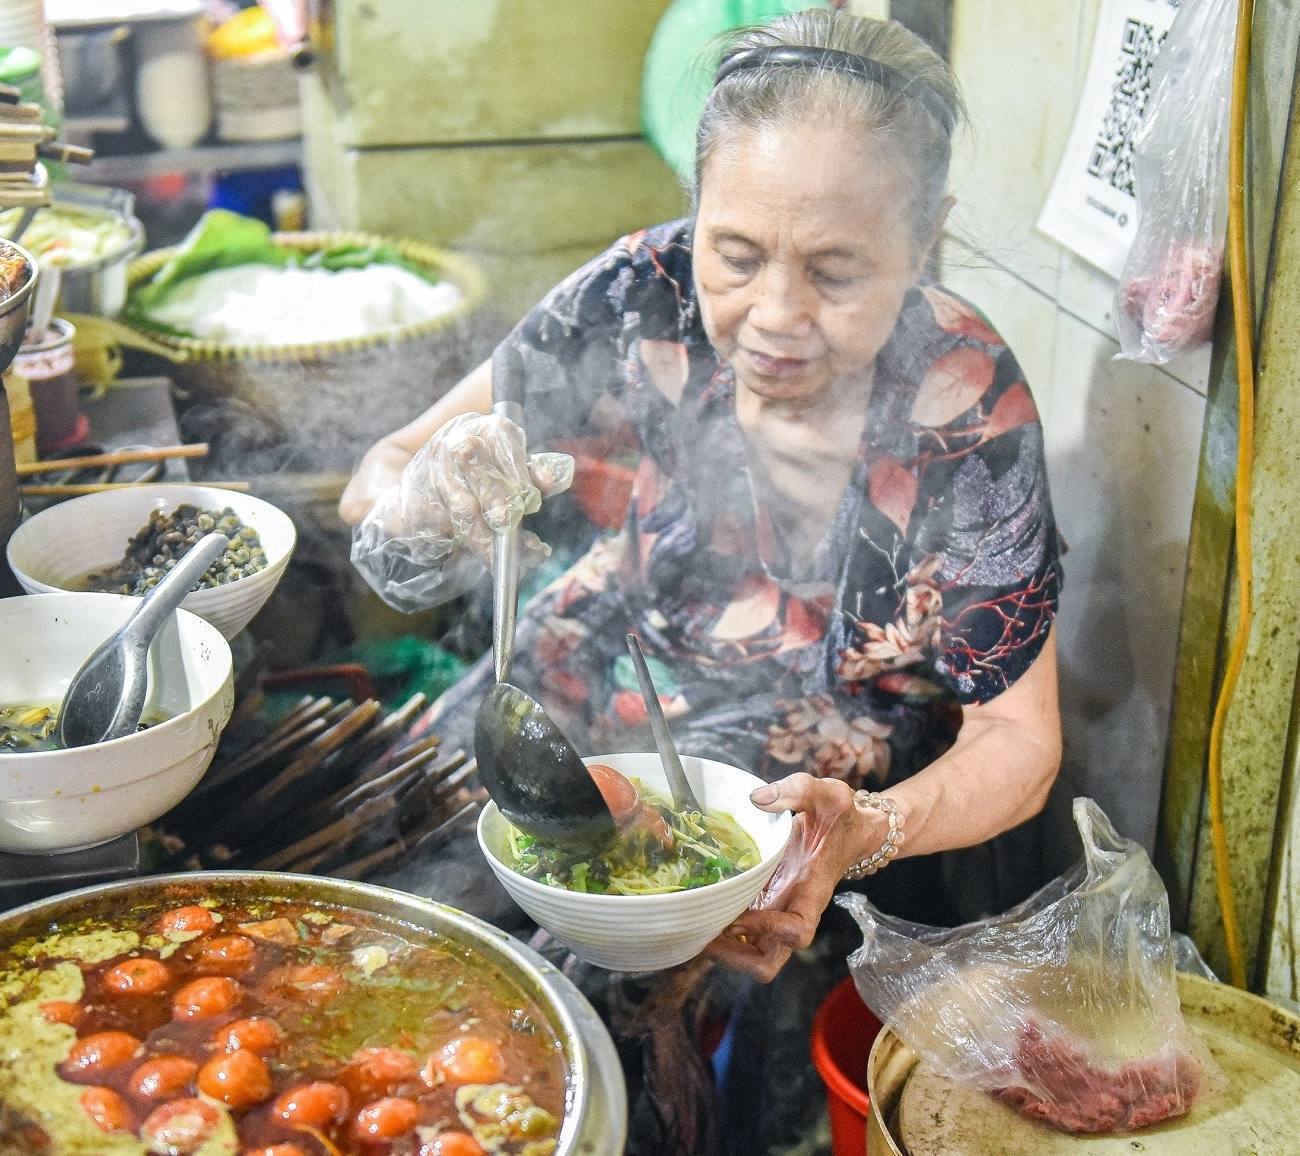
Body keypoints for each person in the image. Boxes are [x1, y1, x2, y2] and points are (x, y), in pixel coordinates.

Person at [342, 11, 1064, 1153]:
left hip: (822, 778)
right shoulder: (636, 294)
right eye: (735, 254)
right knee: (382, 896)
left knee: (627, 1012)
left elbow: (1021, 744)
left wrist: (864, 830)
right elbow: (373, 480)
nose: (775, 317)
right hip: (597, 670)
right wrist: (428, 491)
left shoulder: (962, 400)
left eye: (836, 270)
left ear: (926, 237)